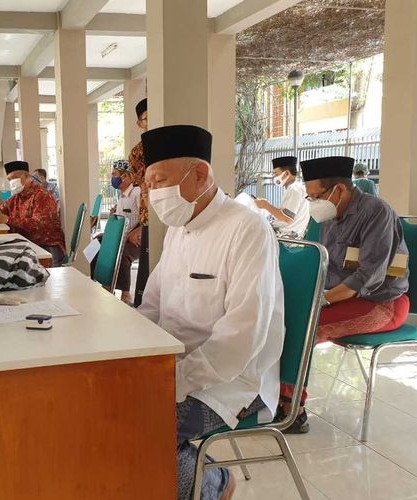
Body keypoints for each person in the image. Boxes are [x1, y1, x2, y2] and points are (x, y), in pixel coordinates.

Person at [137, 125, 285, 500]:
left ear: (199, 174)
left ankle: (214, 486)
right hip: (174, 364)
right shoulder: (178, 227)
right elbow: (152, 306)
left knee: (143, 425)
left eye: (159, 181)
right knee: (106, 401)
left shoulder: (246, 229)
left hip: (232, 378)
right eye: (149, 185)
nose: (153, 195)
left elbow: (241, 338)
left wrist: (176, 379)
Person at [280, 156, 409, 434]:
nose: (312, 203)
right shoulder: (331, 214)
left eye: (314, 196)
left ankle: (292, 410)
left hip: (382, 303)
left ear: (338, 190)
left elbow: (369, 277)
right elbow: (323, 264)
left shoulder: (377, 212)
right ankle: (272, 391)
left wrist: (320, 300)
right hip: (343, 297)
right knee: (283, 313)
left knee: (305, 325)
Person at [0, 160, 66, 266]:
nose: (12, 181)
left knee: (43, 278)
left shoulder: (42, 196)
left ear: (27, 177)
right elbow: (1, 210)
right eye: (9, 179)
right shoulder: (16, 198)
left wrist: (8, 220)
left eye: (15, 177)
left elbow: (39, 225)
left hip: (47, 245)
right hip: (27, 243)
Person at [90, 159, 141, 305]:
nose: (113, 177)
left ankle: (126, 294)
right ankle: (101, 282)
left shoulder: (137, 193)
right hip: (121, 236)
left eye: (115, 174)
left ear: (127, 176)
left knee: (123, 253)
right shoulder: (121, 197)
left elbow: (147, 218)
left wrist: (136, 231)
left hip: (135, 239)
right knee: (95, 245)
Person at [254, 156, 310, 238]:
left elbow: (287, 218)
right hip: (284, 233)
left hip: (287, 239)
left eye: (276, 173)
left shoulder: (294, 189)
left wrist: (266, 205)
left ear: (287, 173)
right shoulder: (294, 188)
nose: (274, 177)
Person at [128, 98, 149, 306]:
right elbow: (143, 186)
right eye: (147, 119)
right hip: (150, 217)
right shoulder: (137, 153)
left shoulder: (173, 144)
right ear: (140, 123)